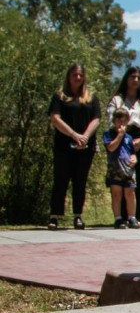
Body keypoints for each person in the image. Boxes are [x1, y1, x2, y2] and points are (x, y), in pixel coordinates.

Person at [47, 63, 101, 231]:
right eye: (74, 75)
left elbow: (96, 119)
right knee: (61, 181)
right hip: (64, 146)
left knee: (80, 182)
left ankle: (78, 216)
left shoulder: (91, 98)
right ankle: (54, 217)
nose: (77, 78)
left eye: (80, 75)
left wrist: (84, 137)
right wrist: (73, 135)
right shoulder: (59, 97)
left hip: (85, 147)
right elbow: (55, 118)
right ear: (68, 77)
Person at [107, 65, 140, 224]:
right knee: (121, 179)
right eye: (132, 77)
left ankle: (137, 217)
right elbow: (110, 122)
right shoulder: (117, 100)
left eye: (138, 78)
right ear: (126, 79)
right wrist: (123, 138)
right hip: (122, 141)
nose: (135, 80)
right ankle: (121, 217)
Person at [103, 107, 140, 229]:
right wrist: (119, 135)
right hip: (115, 169)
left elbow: (132, 151)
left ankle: (132, 217)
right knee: (116, 194)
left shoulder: (129, 138)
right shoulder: (108, 134)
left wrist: (134, 158)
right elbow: (111, 147)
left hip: (128, 170)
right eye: (119, 121)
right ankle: (118, 219)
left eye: (124, 121)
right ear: (114, 121)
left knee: (130, 193)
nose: (121, 124)